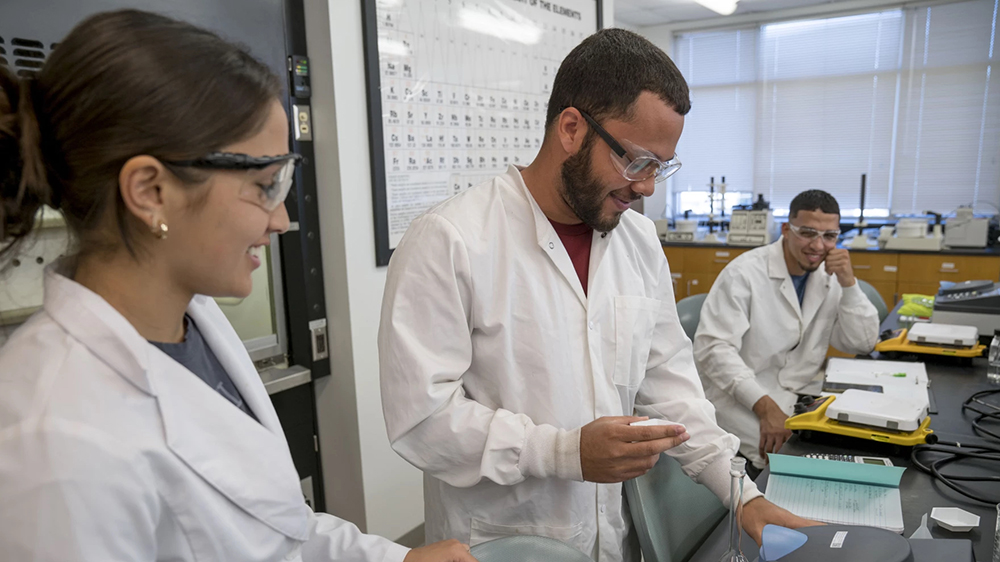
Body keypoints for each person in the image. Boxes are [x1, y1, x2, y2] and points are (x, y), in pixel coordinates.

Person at [0, 10, 475, 562]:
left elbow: (277, 528)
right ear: (150, 190)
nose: (281, 220)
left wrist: (398, 560)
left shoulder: (195, 320)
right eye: (264, 185)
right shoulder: (51, 439)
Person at [378, 28, 815, 562]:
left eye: (662, 166)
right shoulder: (451, 240)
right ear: (571, 128)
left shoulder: (637, 239)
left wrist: (743, 497)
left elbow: (669, 386)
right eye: (637, 162)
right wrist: (562, 452)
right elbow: (421, 420)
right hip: (501, 542)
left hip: (610, 537)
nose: (649, 186)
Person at [694, 190, 880, 471]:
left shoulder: (829, 278)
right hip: (741, 396)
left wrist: (849, 283)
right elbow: (713, 351)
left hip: (800, 392)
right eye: (807, 233)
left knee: (854, 437)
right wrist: (766, 408)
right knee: (792, 456)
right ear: (786, 230)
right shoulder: (744, 274)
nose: (818, 245)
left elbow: (862, 343)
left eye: (829, 236)